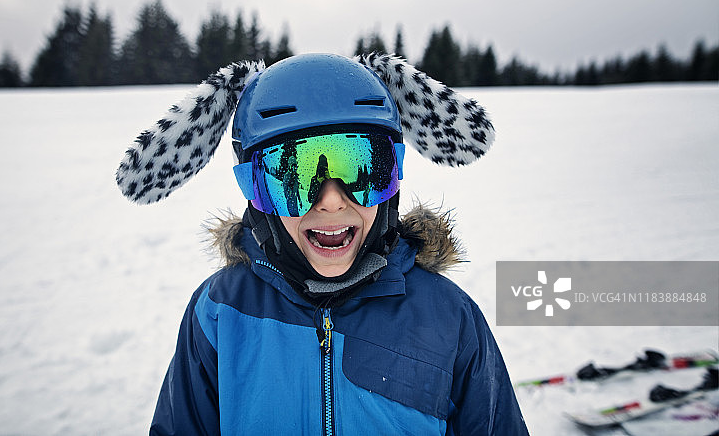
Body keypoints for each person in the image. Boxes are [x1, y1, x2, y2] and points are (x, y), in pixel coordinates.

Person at [116, 53, 528, 435]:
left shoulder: (448, 317)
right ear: (253, 189)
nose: (331, 201)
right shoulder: (220, 312)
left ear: (394, 178)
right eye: (293, 177)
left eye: (362, 170)